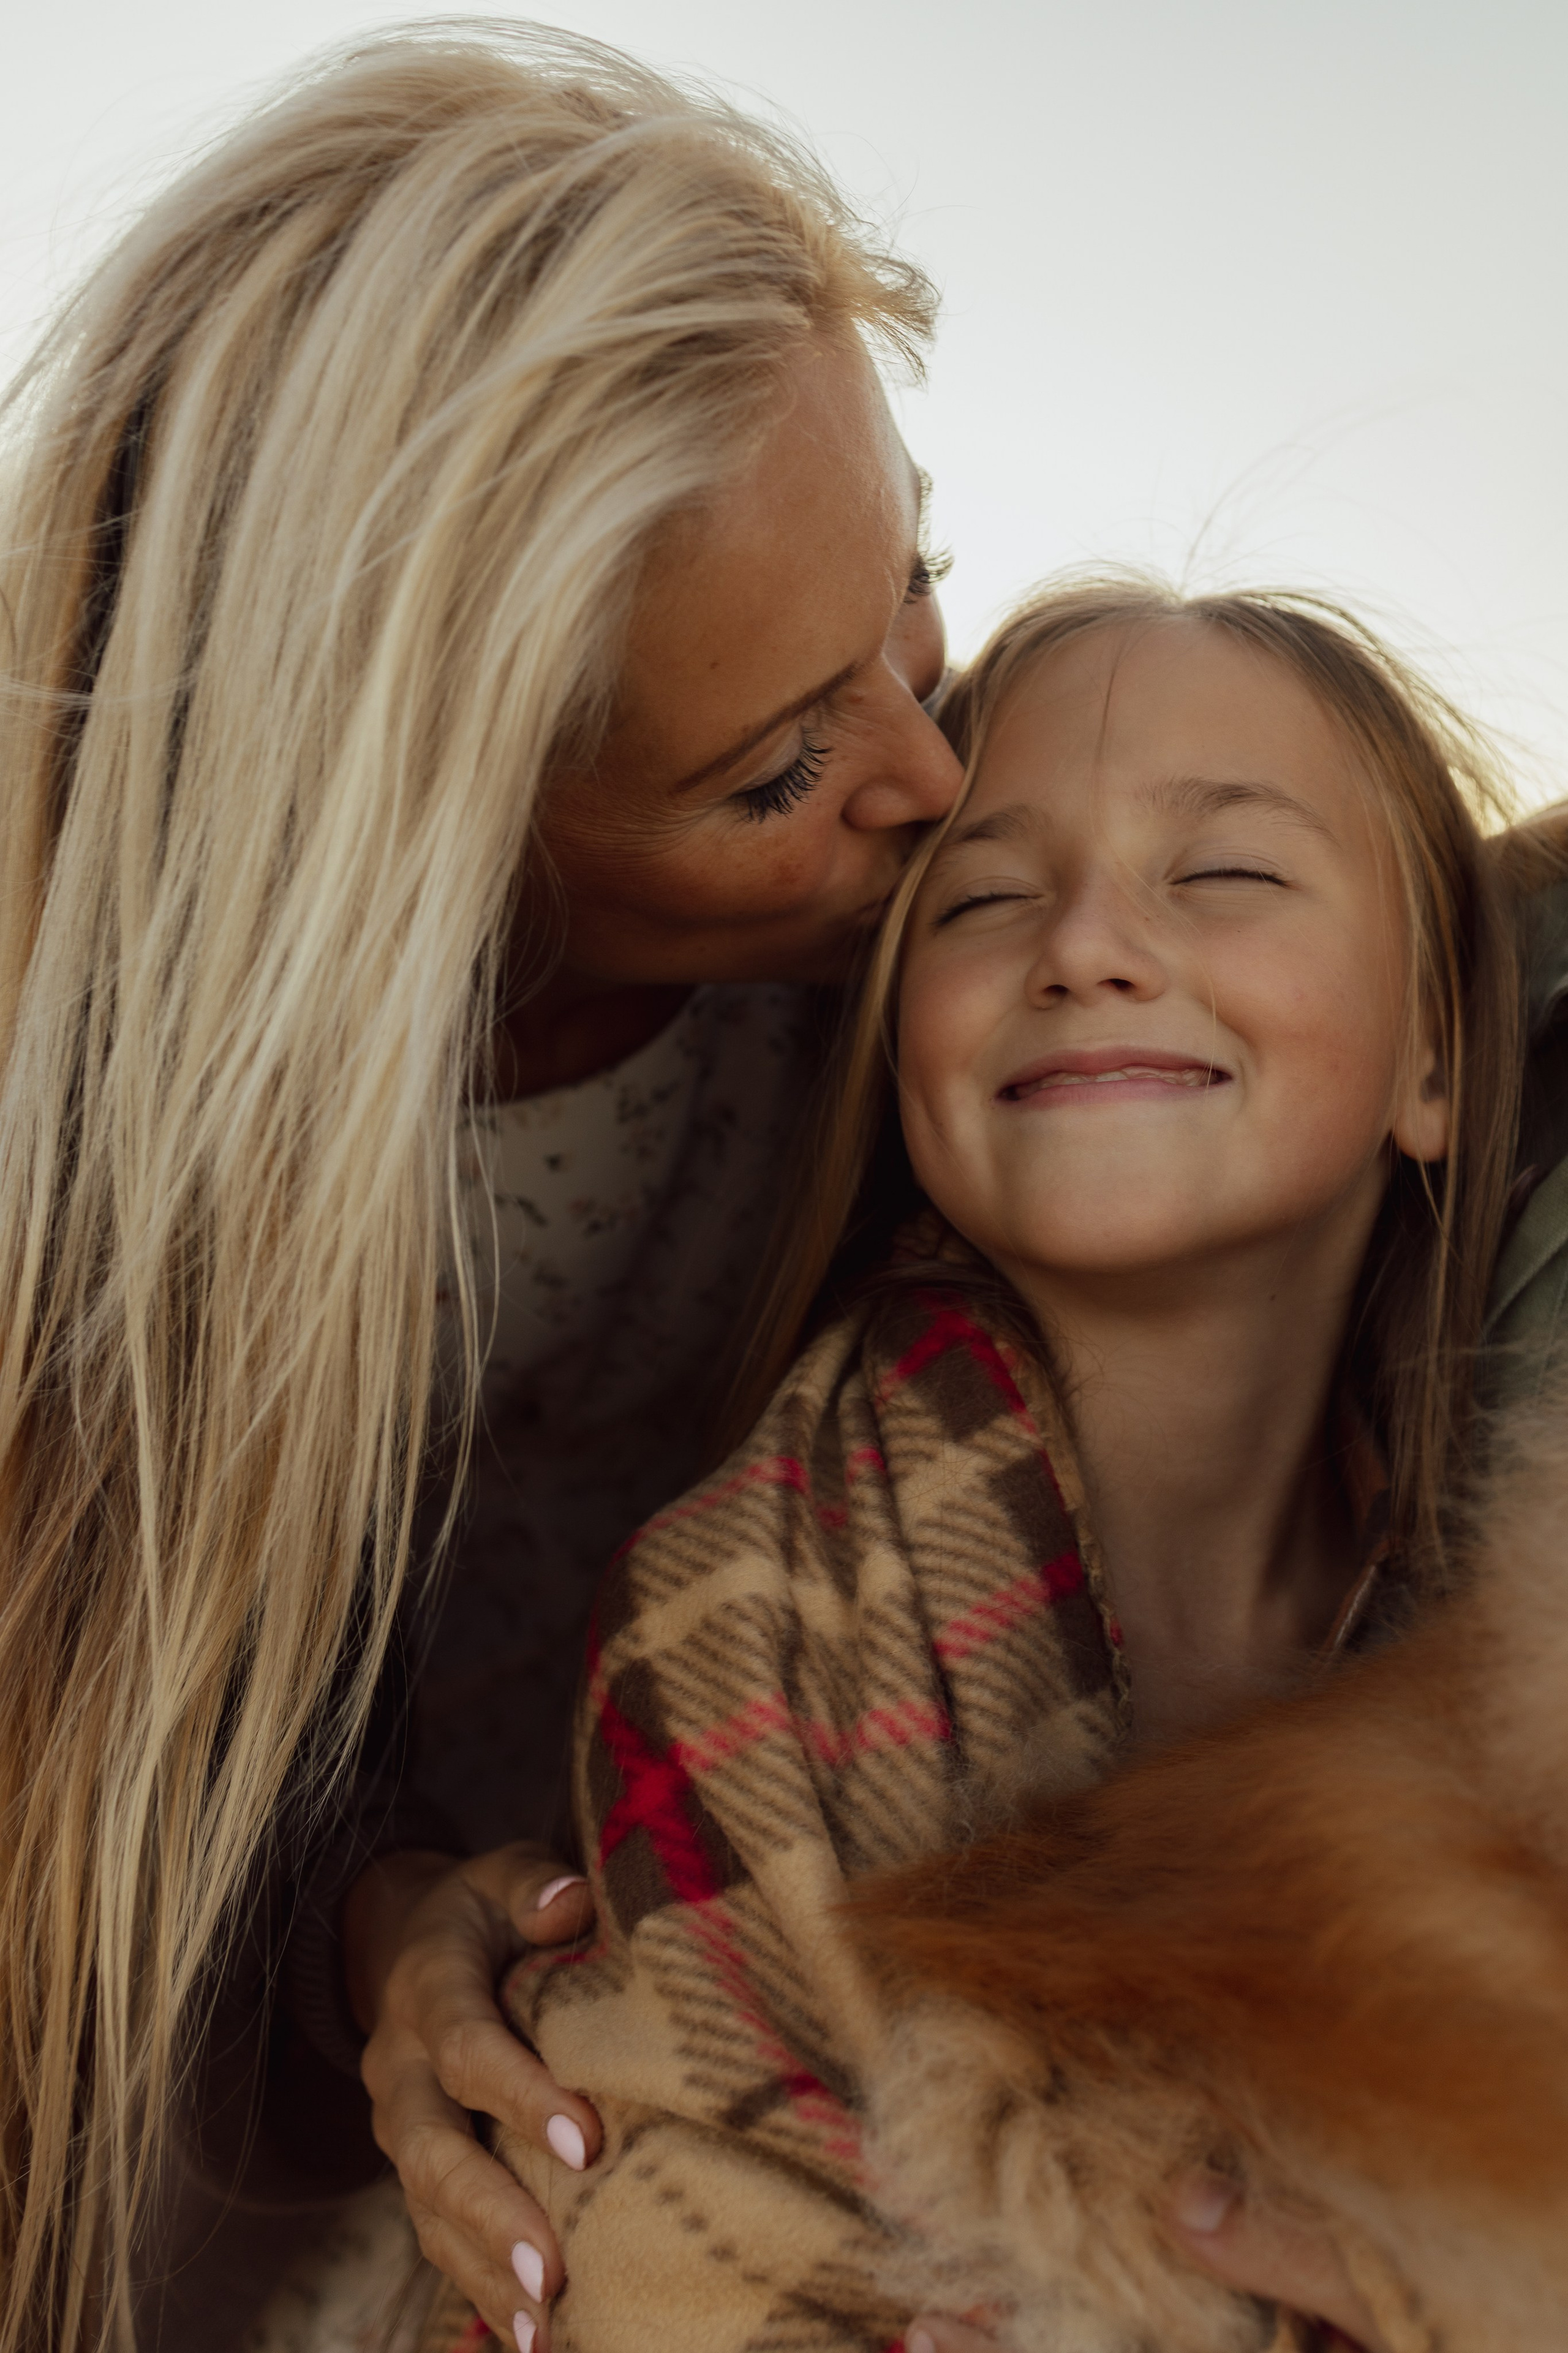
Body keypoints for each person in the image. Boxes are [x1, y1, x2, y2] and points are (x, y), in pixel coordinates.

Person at [0, 25, 965, 2351]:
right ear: (432, 850)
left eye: (916, 590)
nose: (937, 769)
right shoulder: (90, 1198)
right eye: (774, 769)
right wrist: (377, 1932)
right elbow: (111, 1816)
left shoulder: (967, 939)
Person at [432, 577, 1523, 2352]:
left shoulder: (1504, 1661)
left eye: (1225, 872)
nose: (1085, 942)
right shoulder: (739, 1606)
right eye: (991, 893)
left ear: (1439, 1055)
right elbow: (655, 2239)